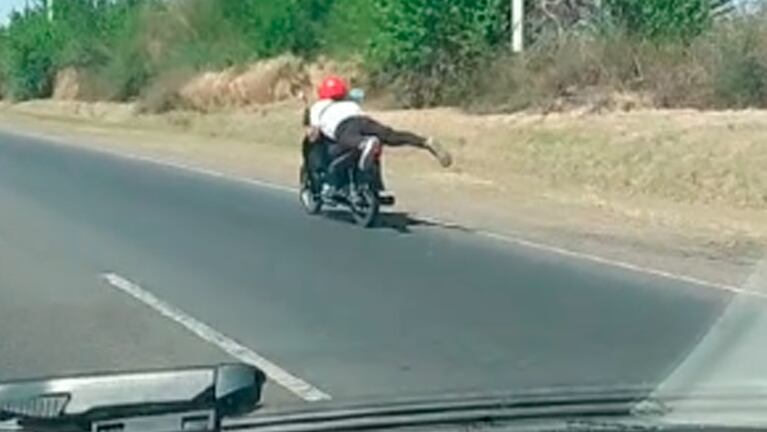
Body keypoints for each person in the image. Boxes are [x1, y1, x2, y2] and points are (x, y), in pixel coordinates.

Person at [305, 75, 452, 198]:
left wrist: (312, 135)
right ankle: (424, 141)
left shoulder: (318, 106)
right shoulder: (349, 102)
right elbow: (358, 99)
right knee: (391, 136)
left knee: (349, 140)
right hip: (363, 120)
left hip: (343, 126)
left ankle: (364, 144)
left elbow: (315, 132)